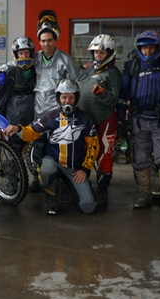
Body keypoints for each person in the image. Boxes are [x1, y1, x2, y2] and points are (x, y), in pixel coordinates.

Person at [5, 79, 98, 215]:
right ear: (58, 98)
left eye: (71, 97)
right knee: (46, 171)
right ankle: (50, 199)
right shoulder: (50, 115)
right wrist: (18, 128)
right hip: (53, 160)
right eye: (64, 97)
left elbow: (93, 145)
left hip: (74, 168)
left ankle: (65, 186)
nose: (67, 101)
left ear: (76, 98)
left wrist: (85, 169)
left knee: (88, 206)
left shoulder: (85, 118)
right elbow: (31, 133)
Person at [117, 31, 160, 212]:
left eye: (151, 47)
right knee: (140, 158)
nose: (148, 51)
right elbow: (122, 95)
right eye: (144, 47)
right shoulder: (131, 66)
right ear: (138, 48)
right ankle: (144, 194)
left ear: (158, 47)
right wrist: (121, 119)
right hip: (138, 121)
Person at [30, 10, 79, 193]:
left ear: (55, 40)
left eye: (49, 40)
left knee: (59, 147)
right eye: (43, 41)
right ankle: (38, 178)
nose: (46, 44)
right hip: (38, 112)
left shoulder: (64, 59)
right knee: (38, 148)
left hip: (58, 114)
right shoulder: (35, 59)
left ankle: (61, 181)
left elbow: (75, 85)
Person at [76, 34, 121, 205]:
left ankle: (102, 191)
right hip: (85, 121)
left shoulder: (113, 73)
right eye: (95, 52)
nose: (97, 55)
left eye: (101, 52)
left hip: (104, 120)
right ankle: (82, 188)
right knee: (82, 154)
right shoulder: (88, 72)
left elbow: (114, 99)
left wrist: (102, 93)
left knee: (103, 156)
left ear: (110, 53)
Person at [0, 36, 37, 153]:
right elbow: (0, 91)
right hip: (14, 111)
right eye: (21, 53)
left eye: (26, 53)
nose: (24, 56)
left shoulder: (36, 68)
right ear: (16, 54)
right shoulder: (9, 69)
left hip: (31, 110)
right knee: (15, 141)